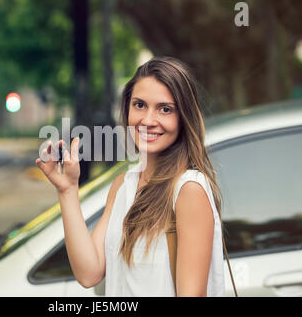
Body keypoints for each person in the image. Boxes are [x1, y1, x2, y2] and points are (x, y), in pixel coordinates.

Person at [35, 56, 225, 297]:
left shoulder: (188, 190)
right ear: (126, 110)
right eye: (139, 105)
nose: (148, 120)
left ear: (183, 119)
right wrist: (67, 190)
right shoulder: (123, 185)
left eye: (165, 109)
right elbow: (89, 272)